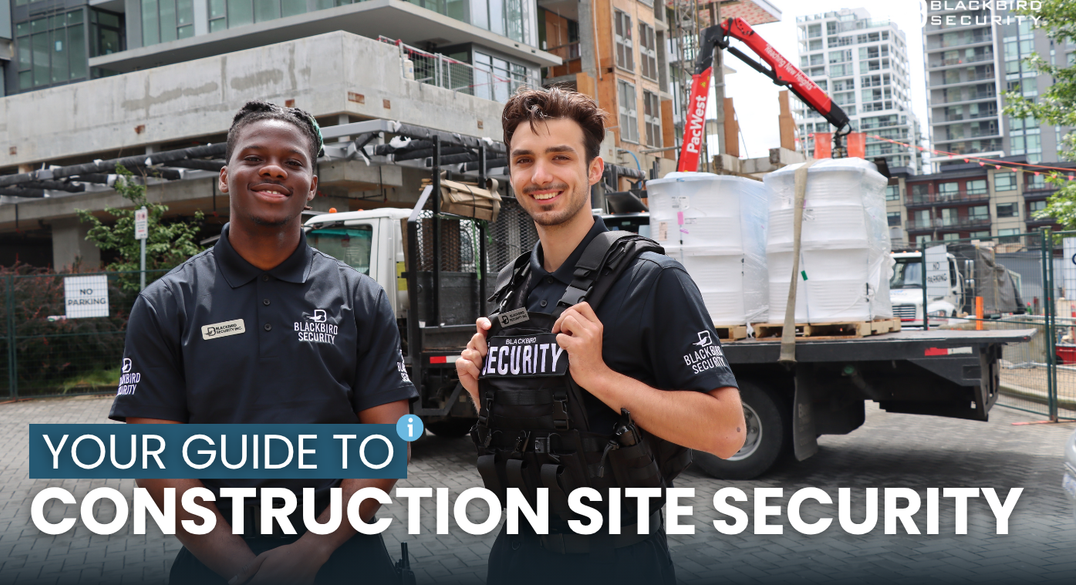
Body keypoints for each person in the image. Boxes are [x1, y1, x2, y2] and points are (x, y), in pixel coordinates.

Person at [110, 100, 417, 585]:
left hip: (345, 554)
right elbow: (157, 463)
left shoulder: (360, 298)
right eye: (254, 158)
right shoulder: (166, 304)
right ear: (224, 174)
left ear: (312, 185)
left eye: (293, 162)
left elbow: (384, 445)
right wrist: (246, 573)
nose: (273, 169)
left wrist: (310, 551)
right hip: (215, 564)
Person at [455, 87, 747, 584]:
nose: (540, 175)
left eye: (559, 157)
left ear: (594, 170)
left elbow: (726, 432)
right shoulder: (509, 286)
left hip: (618, 560)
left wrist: (599, 376)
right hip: (517, 555)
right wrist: (478, 385)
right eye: (523, 160)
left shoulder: (653, 279)